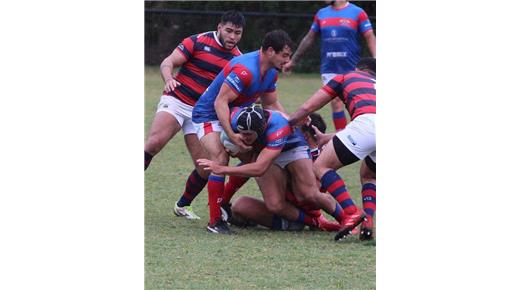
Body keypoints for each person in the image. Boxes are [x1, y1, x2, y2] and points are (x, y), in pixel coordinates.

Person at [144, 11, 245, 220]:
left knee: (205, 167)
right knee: (154, 143)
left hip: (201, 112)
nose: (232, 37)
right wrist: (169, 79)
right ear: (219, 27)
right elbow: (167, 62)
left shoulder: (237, 59)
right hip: (177, 101)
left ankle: (182, 205)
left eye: (237, 33)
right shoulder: (198, 41)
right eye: (228, 31)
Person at [191, 30, 293, 233]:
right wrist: (231, 135)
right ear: (271, 51)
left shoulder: (271, 72)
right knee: (220, 157)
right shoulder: (245, 69)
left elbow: (271, 103)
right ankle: (215, 222)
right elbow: (220, 102)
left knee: (255, 159)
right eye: (285, 55)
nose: (287, 61)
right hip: (209, 115)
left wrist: (293, 121)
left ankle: (224, 203)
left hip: (235, 118)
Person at [198, 106, 348, 235]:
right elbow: (221, 104)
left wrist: (221, 168)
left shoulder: (279, 130)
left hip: (291, 149)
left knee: (308, 194)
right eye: (241, 133)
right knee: (263, 204)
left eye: (248, 135)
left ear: (261, 131)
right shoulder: (237, 120)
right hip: (270, 158)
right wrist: (231, 137)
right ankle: (312, 222)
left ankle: (347, 219)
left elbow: (258, 169)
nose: (243, 138)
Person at [289, 57, 376, 241]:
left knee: (321, 166)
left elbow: (309, 106)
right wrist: (326, 138)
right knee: (369, 175)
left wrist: (289, 122)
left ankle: (352, 211)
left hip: (366, 125)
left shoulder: (345, 77)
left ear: (358, 69)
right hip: (370, 126)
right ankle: (368, 224)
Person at [228, 113, 340, 232]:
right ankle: (291, 223)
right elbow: (247, 170)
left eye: (295, 130)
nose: (290, 133)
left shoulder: (316, 156)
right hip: (285, 207)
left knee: (300, 194)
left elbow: (314, 192)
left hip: (304, 205)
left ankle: (337, 218)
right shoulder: (287, 150)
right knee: (240, 205)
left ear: (306, 135)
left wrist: (222, 169)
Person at [283, 0, 375, 132]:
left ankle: (358, 136)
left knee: (356, 103)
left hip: (352, 68)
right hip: (329, 68)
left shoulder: (357, 13)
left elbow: (370, 37)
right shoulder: (322, 14)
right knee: (336, 102)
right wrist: (293, 61)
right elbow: (309, 39)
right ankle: (341, 138)